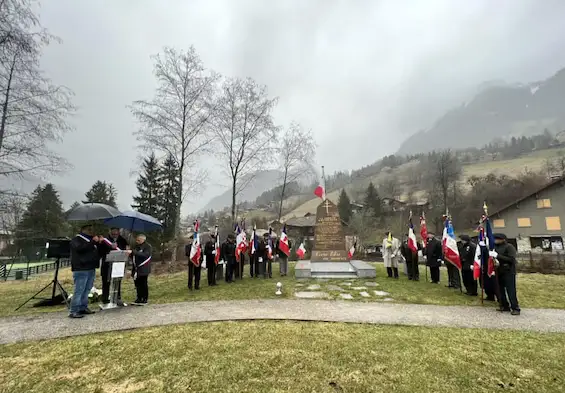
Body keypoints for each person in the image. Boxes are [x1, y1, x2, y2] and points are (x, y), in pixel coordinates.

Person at [69, 224, 102, 318]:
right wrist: (92, 242)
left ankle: (83, 307)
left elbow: (96, 252)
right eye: (89, 230)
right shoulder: (76, 240)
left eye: (92, 229)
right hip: (81, 268)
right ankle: (74, 310)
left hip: (91, 267)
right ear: (83, 230)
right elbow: (80, 249)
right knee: (79, 290)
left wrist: (99, 243)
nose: (91, 231)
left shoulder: (91, 241)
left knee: (87, 289)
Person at [491, 233, 520, 315]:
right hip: (498, 270)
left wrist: (498, 256)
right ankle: (504, 305)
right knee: (499, 290)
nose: (495, 240)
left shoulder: (509, 247)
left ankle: (515, 308)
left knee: (511, 290)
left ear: (502, 239)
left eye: (497, 239)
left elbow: (511, 259)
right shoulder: (494, 247)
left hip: (508, 271)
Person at [98, 227, 128, 305]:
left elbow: (124, 250)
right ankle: (105, 299)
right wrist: (104, 245)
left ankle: (117, 298)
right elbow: (100, 252)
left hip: (118, 265)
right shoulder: (105, 240)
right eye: (113, 233)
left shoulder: (122, 240)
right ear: (110, 232)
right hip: (107, 265)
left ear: (118, 232)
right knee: (106, 282)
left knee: (118, 281)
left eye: (116, 233)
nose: (115, 234)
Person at [127, 234, 152, 305]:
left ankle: (145, 298)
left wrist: (133, 252)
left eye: (139, 240)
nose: (137, 241)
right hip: (136, 268)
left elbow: (145, 255)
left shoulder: (147, 246)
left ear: (143, 240)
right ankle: (139, 298)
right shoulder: (136, 247)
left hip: (144, 268)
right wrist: (130, 253)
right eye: (137, 240)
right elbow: (134, 256)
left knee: (143, 284)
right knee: (137, 284)